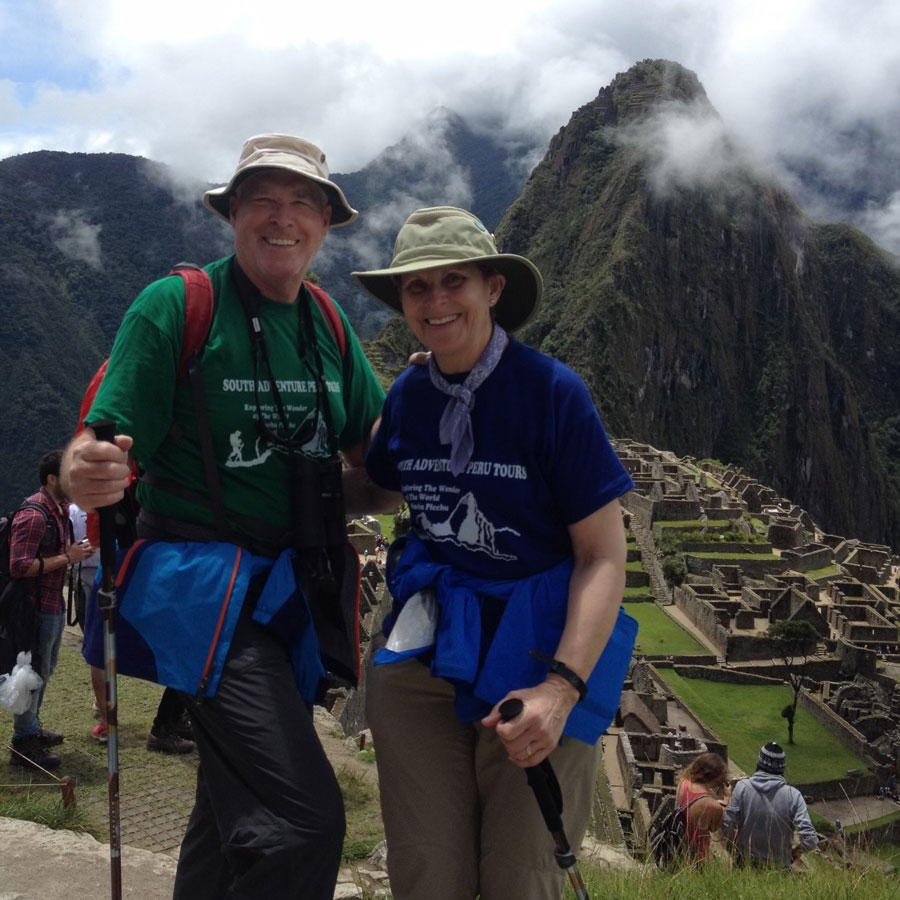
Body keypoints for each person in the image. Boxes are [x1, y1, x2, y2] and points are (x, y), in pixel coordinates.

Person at [62, 134, 385, 900]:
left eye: (302, 202)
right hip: (201, 594)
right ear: (233, 213)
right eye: (263, 201)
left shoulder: (328, 328)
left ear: (326, 222)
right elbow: (99, 443)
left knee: (227, 809)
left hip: (289, 599)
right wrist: (86, 469)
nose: (283, 218)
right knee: (302, 824)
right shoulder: (179, 306)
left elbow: (379, 457)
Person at [349, 206, 637, 900]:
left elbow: (602, 556)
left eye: (455, 281)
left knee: (522, 875)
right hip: (423, 661)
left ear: (492, 288)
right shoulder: (413, 394)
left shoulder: (550, 394)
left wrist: (561, 690)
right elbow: (383, 489)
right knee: (425, 873)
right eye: (417, 288)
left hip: (532, 660)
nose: (437, 301)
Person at [8, 450, 93, 770]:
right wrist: (67, 558)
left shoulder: (59, 510)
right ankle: (23, 742)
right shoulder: (34, 514)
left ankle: (31, 728)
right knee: (30, 674)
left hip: (52, 605)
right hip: (33, 610)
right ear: (52, 479)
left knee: (44, 672)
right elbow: (19, 565)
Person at [722, 741, 819, 868]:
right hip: (779, 868)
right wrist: (796, 852)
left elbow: (727, 825)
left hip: (745, 865)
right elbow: (811, 839)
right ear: (782, 767)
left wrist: (736, 847)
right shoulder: (793, 795)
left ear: (760, 763)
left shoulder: (742, 787)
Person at [675, 752, 730, 863]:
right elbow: (715, 827)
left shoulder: (683, 783)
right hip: (697, 854)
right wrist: (727, 799)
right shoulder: (711, 805)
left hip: (677, 844)